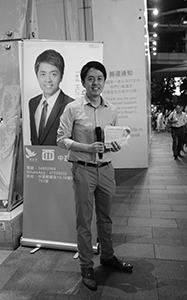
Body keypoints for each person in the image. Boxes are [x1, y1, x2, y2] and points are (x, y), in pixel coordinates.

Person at [57, 61, 133, 291]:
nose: (95, 83)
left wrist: (116, 145)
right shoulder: (73, 108)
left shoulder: (112, 109)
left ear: (104, 81)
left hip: (107, 169)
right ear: (83, 82)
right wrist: (86, 148)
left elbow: (112, 138)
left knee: (106, 217)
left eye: (99, 78)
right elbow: (61, 139)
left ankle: (108, 256)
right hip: (83, 169)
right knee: (84, 220)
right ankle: (86, 266)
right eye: (90, 78)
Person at [28, 49, 73, 145]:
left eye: (53, 74)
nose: (48, 80)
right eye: (43, 74)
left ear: (61, 76)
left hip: (62, 159)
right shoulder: (32, 103)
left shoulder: (71, 105)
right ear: (37, 76)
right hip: (36, 159)